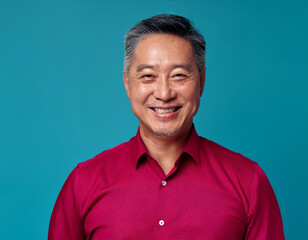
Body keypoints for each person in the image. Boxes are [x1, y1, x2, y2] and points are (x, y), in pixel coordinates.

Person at [48, 14, 285, 240]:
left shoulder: (248, 182)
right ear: (127, 83)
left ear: (201, 82)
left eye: (179, 75)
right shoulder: (84, 182)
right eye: (148, 76)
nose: (163, 93)